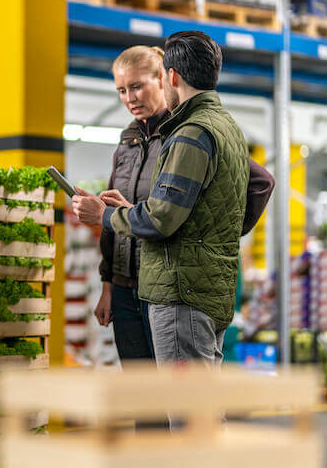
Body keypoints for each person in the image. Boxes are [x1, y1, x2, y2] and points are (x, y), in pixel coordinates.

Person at [74, 31, 267, 366]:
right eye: (121, 90)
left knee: (179, 409)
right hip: (139, 285)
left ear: (166, 77)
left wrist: (211, 237)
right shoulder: (131, 143)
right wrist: (109, 282)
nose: (129, 97)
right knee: (158, 402)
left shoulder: (188, 133)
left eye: (137, 86)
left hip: (174, 287)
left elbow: (163, 217)